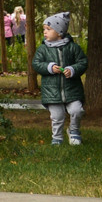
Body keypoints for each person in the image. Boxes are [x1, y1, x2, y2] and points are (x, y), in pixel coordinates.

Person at [35, 12, 88, 145]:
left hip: (72, 89)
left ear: (59, 32)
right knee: (57, 116)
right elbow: (36, 64)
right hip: (52, 91)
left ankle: (74, 131)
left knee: (77, 110)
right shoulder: (42, 49)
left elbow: (83, 62)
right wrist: (49, 67)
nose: (45, 32)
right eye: (44, 29)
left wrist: (73, 69)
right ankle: (57, 137)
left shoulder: (73, 48)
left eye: (48, 29)